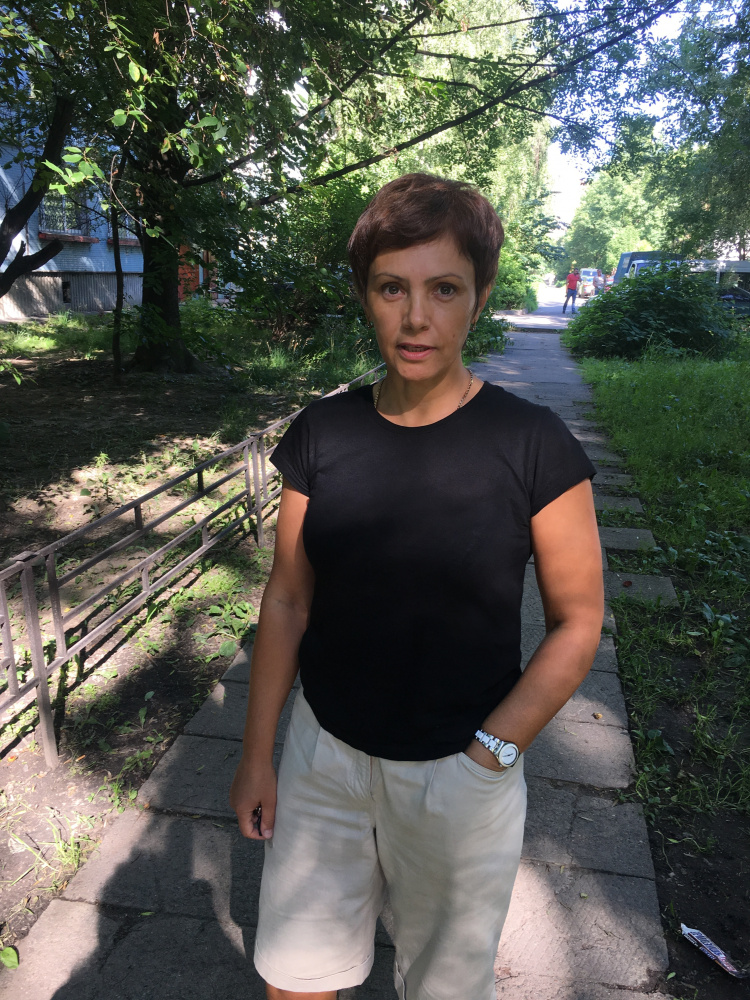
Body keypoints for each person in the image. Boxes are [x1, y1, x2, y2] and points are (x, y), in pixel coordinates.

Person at [230, 173, 604, 1000]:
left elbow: (579, 623)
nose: (415, 318)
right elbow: (287, 599)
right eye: (391, 287)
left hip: (457, 772)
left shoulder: (533, 444)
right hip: (324, 756)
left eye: (444, 289)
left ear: (480, 296)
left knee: (444, 989)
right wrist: (258, 756)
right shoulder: (322, 434)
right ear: (365, 295)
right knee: (294, 978)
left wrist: (490, 755)